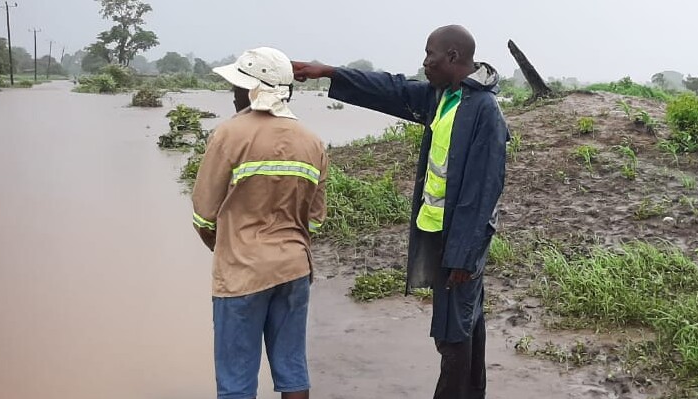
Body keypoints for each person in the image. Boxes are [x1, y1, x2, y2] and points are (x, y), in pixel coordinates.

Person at [293, 24, 508, 399]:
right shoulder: (445, 96)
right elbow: (390, 89)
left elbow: (482, 192)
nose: (425, 63)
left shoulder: (483, 111)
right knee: (466, 322)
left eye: (430, 55)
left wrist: (463, 256)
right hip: (439, 232)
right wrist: (329, 72)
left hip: (460, 243)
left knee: (453, 331)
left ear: (453, 57)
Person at [192, 47, 328, 399]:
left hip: (242, 273)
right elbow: (314, 221)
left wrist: (226, 248)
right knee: (292, 368)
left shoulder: (229, 134)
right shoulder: (312, 142)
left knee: (236, 378)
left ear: (251, 90)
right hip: (294, 268)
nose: (233, 93)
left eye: (238, 86)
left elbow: (203, 215)